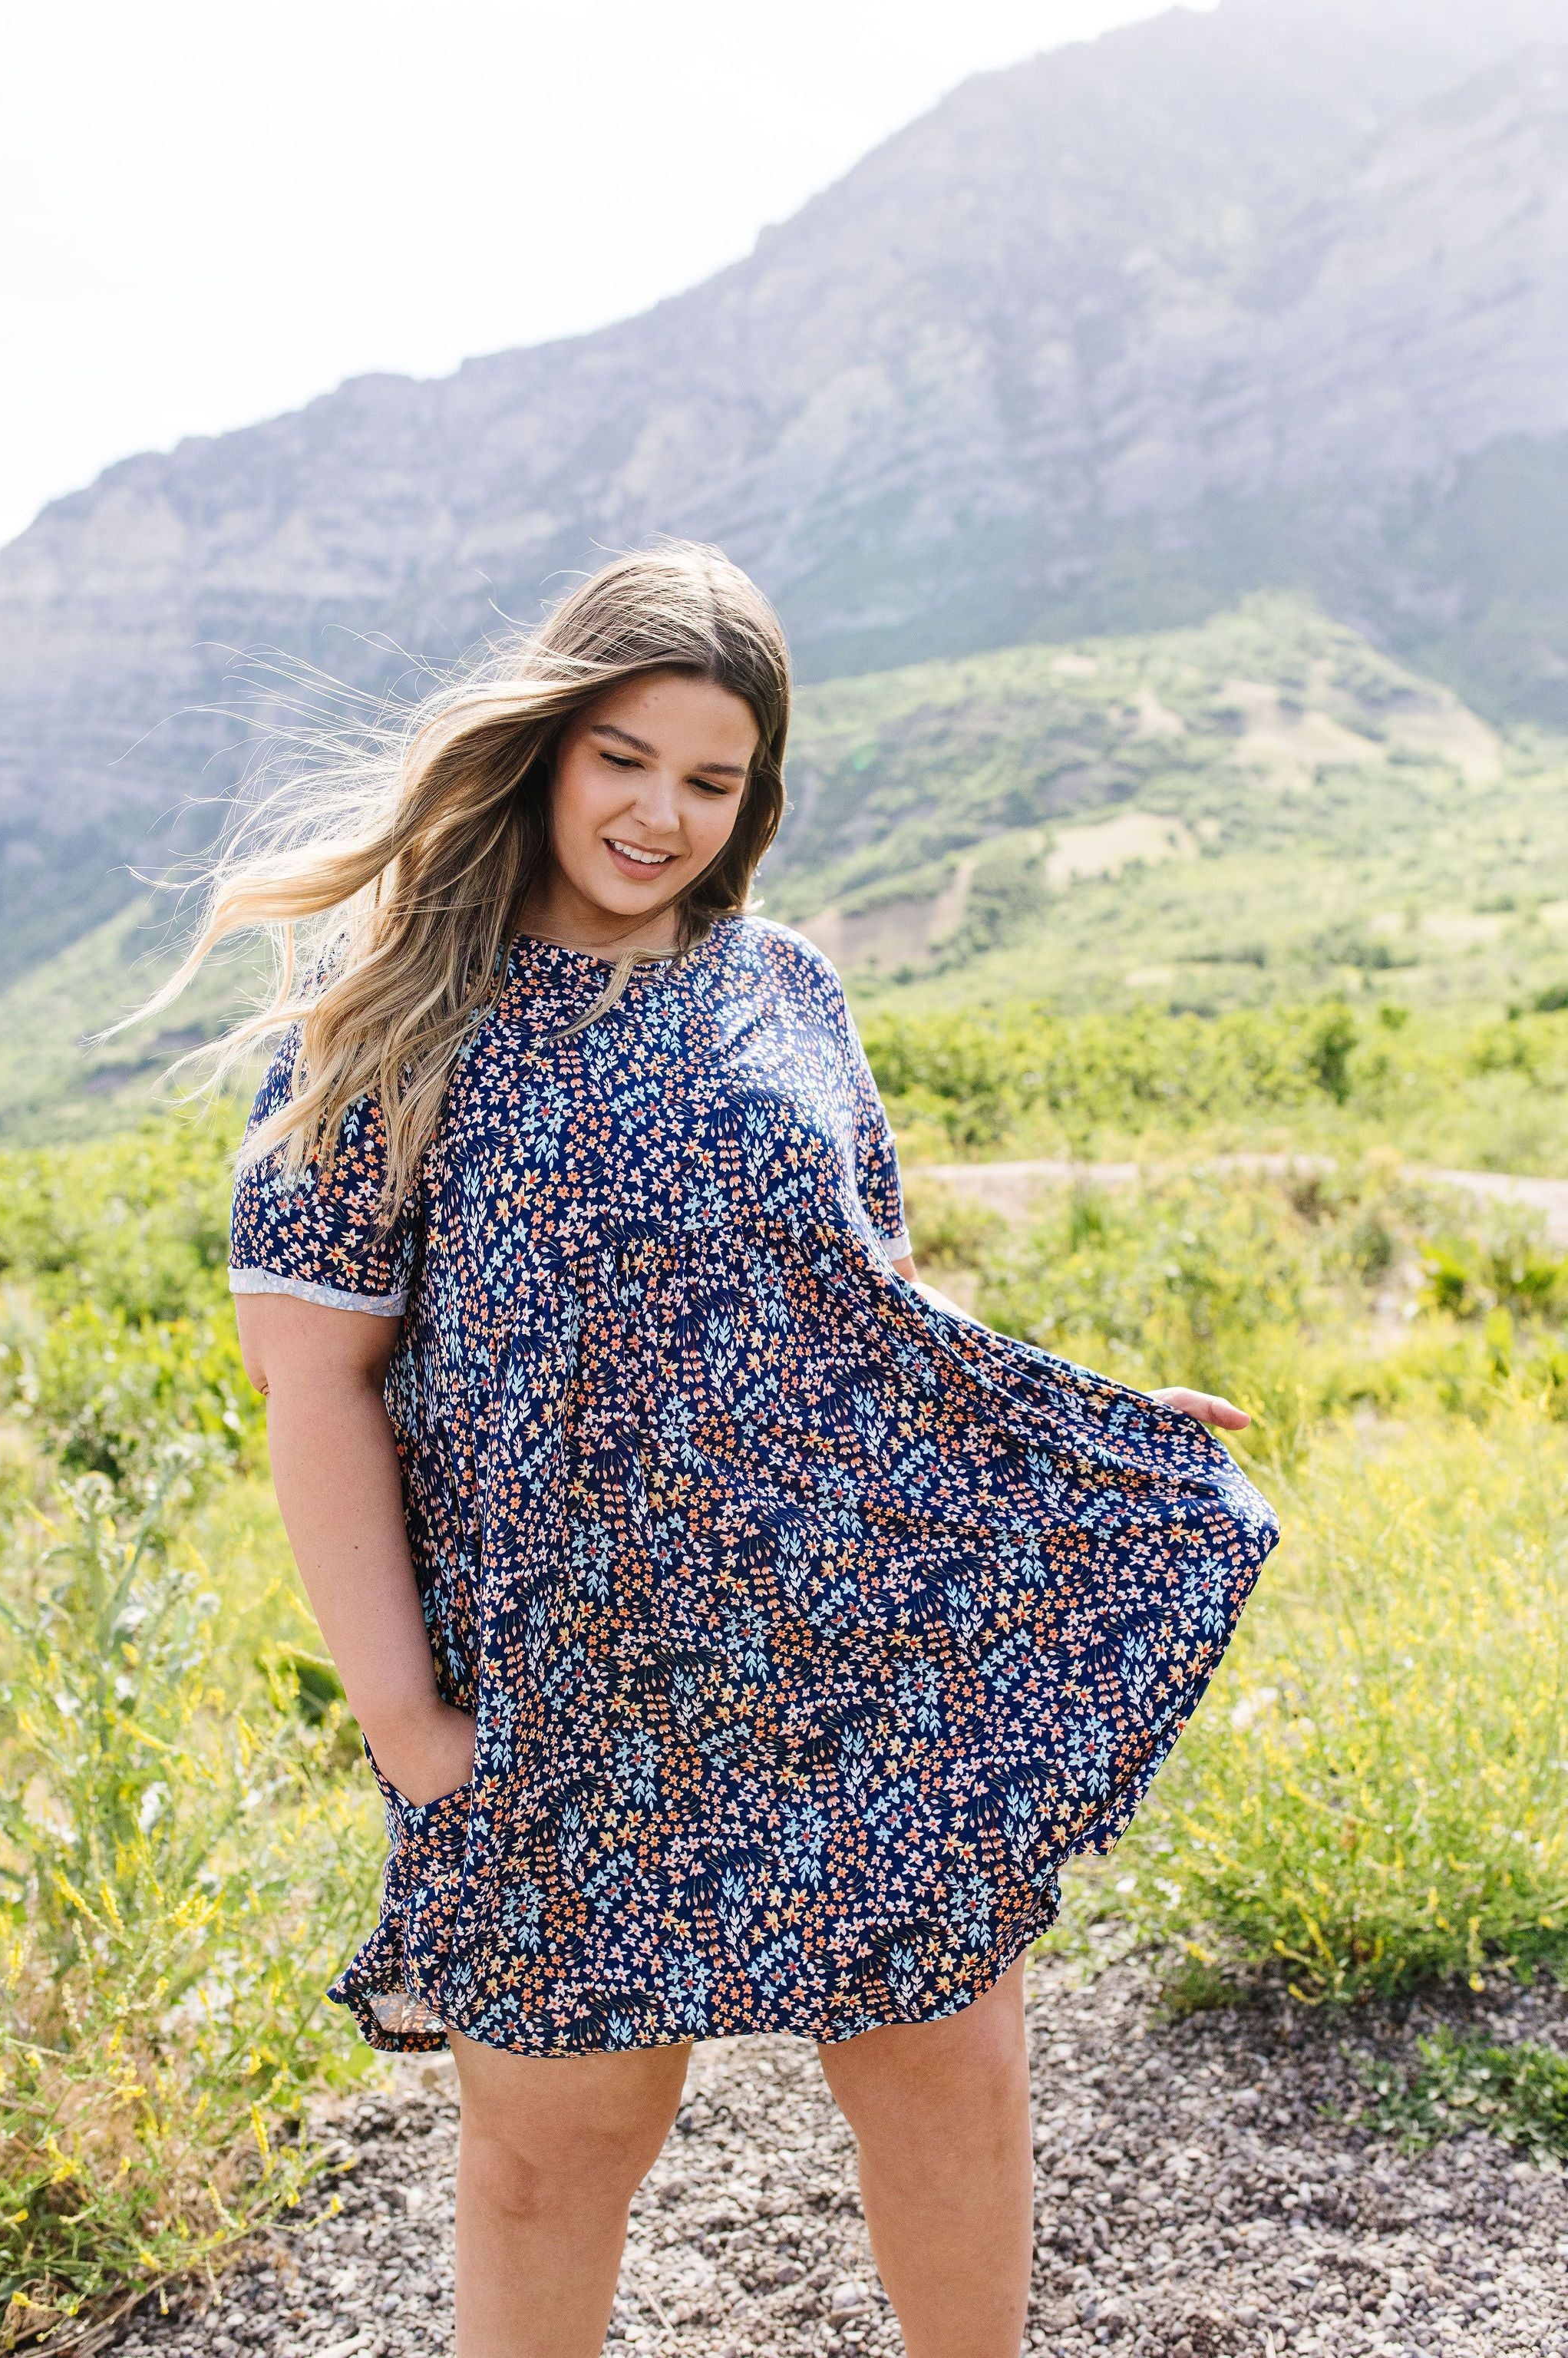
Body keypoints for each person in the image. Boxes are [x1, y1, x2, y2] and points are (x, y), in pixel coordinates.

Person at [170, 542, 1277, 2358]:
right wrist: (410, 1728)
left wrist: (1063, 1434)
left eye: (711, 779)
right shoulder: (379, 1018)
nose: (659, 814)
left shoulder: (785, 987)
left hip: (850, 1650)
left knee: (949, 2065)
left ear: (755, 796)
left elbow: (868, 1314)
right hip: (560, 1684)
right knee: (556, 2149)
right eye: (624, 758)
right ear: (543, 744)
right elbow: (316, 1388)